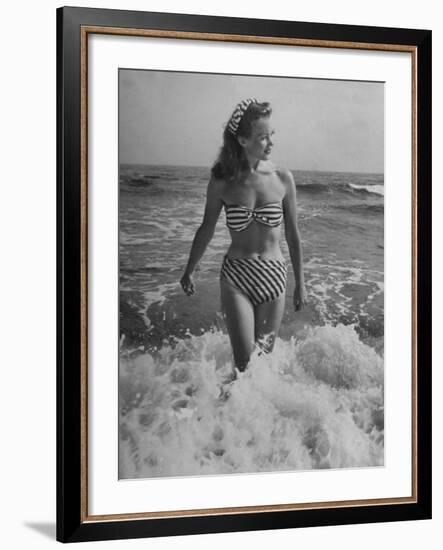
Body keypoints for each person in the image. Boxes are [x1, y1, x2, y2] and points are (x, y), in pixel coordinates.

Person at [180, 98, 307, 380]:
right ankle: (221, 416)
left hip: (274, 277)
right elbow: (206, 228)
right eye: (263, 137)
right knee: (244, 365)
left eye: (271, 135)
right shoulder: (222, 181)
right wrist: (190, 269)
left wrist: (300, 283)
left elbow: (292, 234)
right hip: (237, 277)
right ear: (242, 139)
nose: (270, 143)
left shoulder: (283, 178)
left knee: (261, 368)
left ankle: (251, 421)